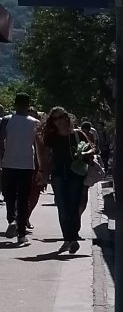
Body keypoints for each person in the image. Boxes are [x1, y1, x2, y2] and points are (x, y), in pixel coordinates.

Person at [36, 107, 93, 254]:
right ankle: (68, 239)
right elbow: (45, 156)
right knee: (62, 207)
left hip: (76, 173)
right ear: (52, 122)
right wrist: (43, 172)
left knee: (73, 207)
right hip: (58, 174)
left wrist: (84, 153)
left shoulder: (78, 134)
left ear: (67, 117)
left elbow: (92, 149)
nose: (60, 120)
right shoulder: (51, 137)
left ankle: (72, 238)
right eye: (56, 118)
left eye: (63, 116)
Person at [0, 93, 40, 245]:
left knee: (9, 196)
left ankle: (12, 219)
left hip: (8, 163)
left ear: (15, 104)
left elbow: (0, 141)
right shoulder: (35, 123)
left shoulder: (6, 120)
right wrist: (42, 167)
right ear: (28, 105)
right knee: (23, 198)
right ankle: (21, 233)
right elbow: (39, 147)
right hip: (26, 165)